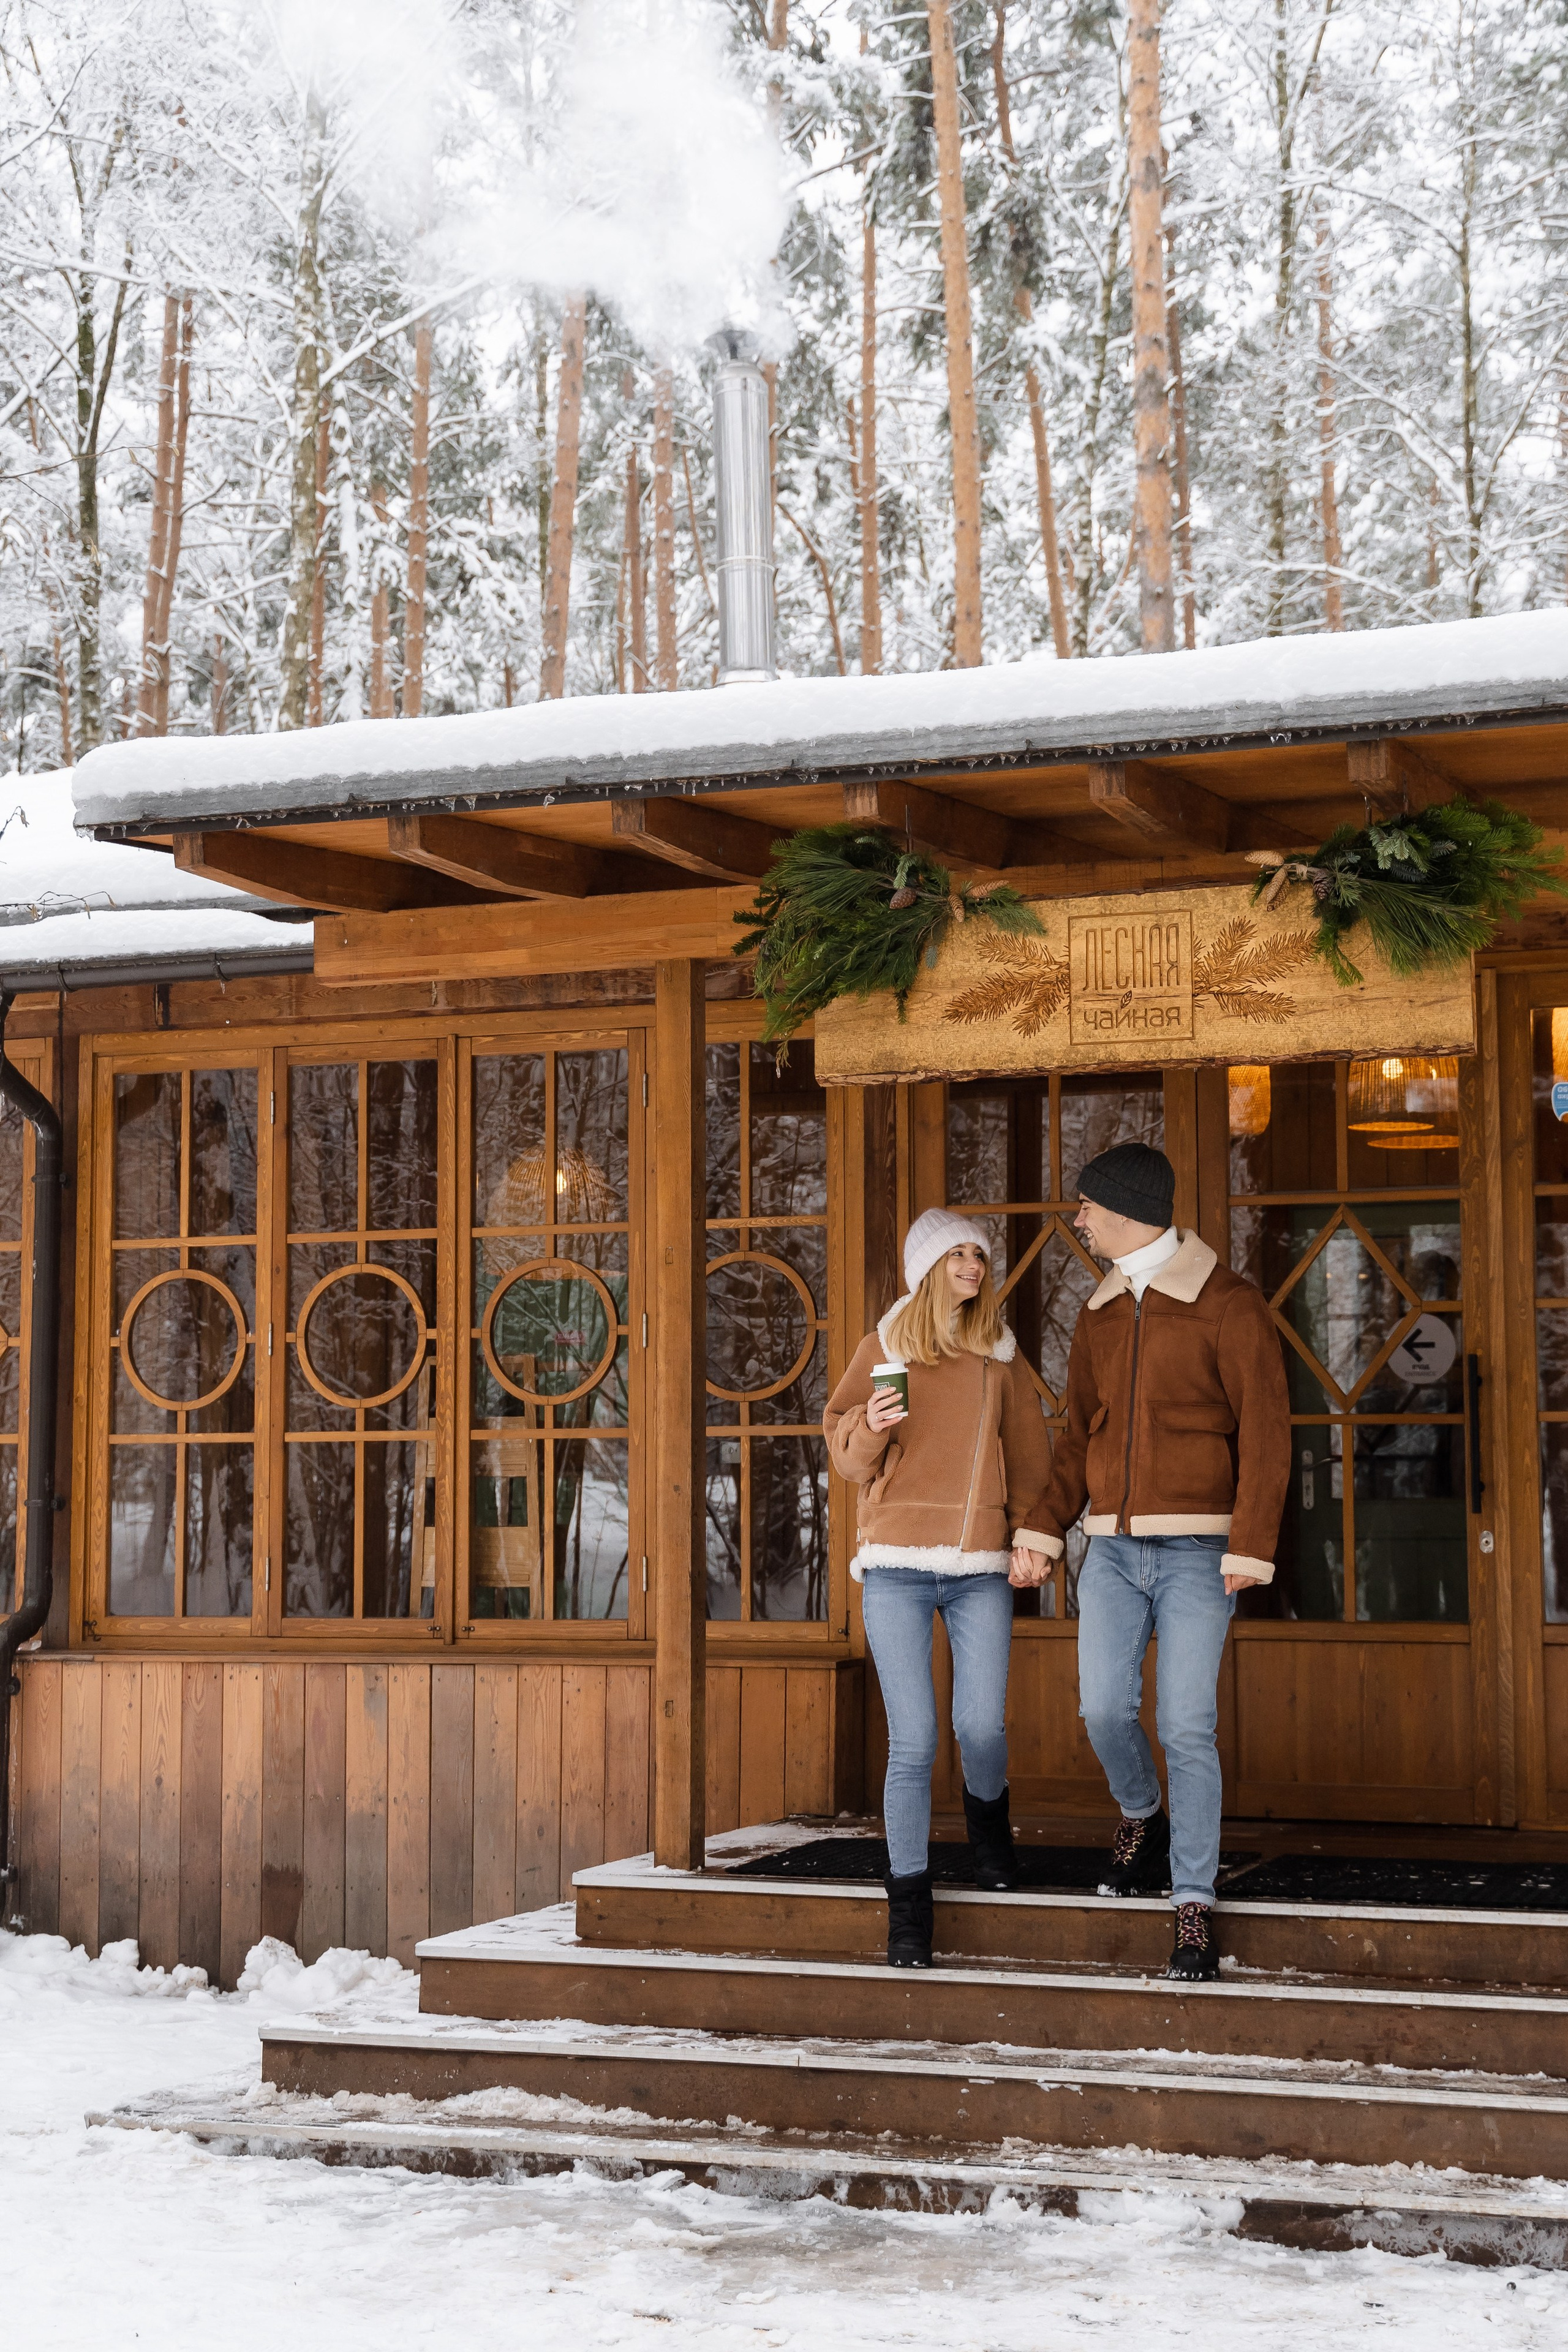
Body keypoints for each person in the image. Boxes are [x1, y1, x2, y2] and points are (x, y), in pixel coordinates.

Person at [1014, 1142, 1290, 1981]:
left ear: (1127, 1210)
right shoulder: (1099, 1313)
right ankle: (1142, 1812)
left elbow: (1269, 1434)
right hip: (1111, 1549)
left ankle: (1193, 1903)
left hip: (1202, 1552)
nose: (1079, 1218)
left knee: (1186, 1727)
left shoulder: (1227, 1305)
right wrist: (1042, 1528)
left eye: (1089, 1207)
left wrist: (1251, 1542)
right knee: (1102, 1710)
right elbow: (1077, 1437)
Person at [824, 1207, 1053, 1969]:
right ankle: (909, 1910)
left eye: (979, 1256)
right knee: (915, 1741)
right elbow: (848, 1458)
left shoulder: (999, 1356)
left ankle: (991, 1838)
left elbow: (1028, 1456)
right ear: (926, 1269)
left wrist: (1028, 1535)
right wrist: (873, 1425)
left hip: (978, 1566)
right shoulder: (884, 1348)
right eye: (956, 1255)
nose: (972, 1266)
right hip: (894, 1565)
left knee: (981, 1728)